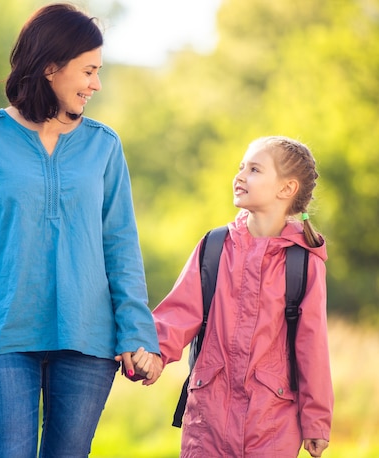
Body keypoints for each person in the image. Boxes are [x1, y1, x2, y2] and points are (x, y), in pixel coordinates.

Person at [0, 4, 161, 457]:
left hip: (88, 336)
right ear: (50, 68)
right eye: (89, 71)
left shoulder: (104, 145)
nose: (96, 83)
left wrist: (136, 333)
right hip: (6, 330)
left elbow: (120, 247)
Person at [141, 136, 334, 457]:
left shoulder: (304, 262)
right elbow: (178, 314)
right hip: (207, 420)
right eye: (241, 167)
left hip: (272, 425)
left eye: (255, 169)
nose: (240, 176)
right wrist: (153, 354)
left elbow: (312, 347)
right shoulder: (214, 247)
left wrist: (316, 420)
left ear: (286, 189)